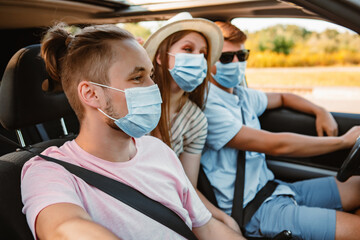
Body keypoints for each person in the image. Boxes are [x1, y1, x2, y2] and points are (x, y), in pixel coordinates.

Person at [20, 22, 245, 240]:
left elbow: (206, 227)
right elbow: (64, 227)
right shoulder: (50, 171)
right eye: (137, 78)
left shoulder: (158, 150)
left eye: (151, 76)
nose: (153, 88)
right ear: (91, 94)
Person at [200, 21, 360, 239]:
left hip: (275, 189)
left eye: (242, 55)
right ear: (207, 62)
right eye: (227, 58)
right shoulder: (209, 106)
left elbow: (284, 97)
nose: (236, 63)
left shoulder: (241, 95)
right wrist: (344, 141)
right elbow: (276, 144)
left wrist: (320, 110)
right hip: (255, 210)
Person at [143, 12, 241, 233]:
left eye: (203, 54)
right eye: (188, 50)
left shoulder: (195, 119)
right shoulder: (136, 104)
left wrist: (220, 217)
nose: (197, 58)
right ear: (160, 56)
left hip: (169, 207)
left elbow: (187, 185)